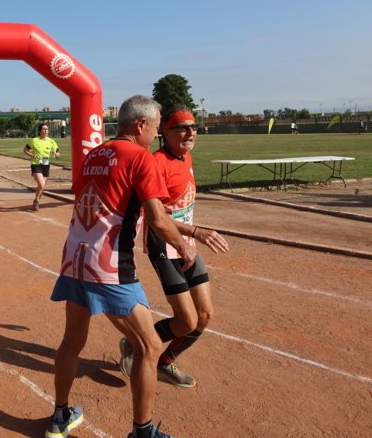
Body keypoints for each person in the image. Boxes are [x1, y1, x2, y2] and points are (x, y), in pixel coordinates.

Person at [46, 95, 194, 438]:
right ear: (141, 125)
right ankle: (143, 432)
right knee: (149, 346)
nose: (156, 135)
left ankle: (60, 415)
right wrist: (183, 244)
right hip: (110, 267)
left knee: (71, 342)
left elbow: (89, 202)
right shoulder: (140, 158)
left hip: (74, 260)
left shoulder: (94, 155)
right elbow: (158, 219)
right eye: (155, 128)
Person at [118, 109, 230, 389]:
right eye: (181, 127)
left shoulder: (185, 158)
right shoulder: (156, 162)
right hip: (163, 244)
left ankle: (164, 361)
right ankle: (137, 343)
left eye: (193, 127)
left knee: (204, 315)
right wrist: (194, 231)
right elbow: (155, 217)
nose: (190, 132)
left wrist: (191, 235)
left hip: (187, 243)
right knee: (186, 320)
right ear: (165, 133)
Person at [23, 123, 60, 211]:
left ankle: (36, 200)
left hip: (46, 165)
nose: (46, 130)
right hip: (36, 164)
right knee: (41, 184)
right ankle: (36, 201)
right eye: (43, 129)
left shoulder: (52, 142)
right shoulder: (34, 140)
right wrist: (32, 155)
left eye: (47, 129)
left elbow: (58, 154)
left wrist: (56, 154)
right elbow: (25, 150)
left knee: (42, 187)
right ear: (40, 131)